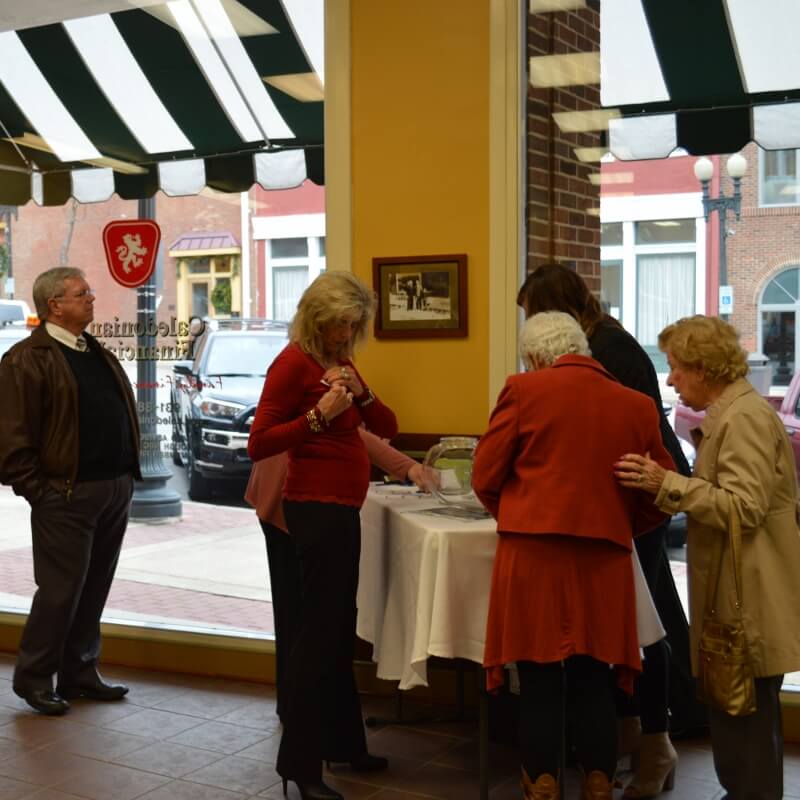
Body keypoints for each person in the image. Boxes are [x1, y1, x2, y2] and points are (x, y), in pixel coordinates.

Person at [518, 262, 703, 797]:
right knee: (641, 621)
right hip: (621, 497)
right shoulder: (606, 338)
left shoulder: (609, 351)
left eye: (533, 312)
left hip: (635, 494)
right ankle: (633, 741)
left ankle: (656, 741)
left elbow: (610, 433)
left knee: (646, 625)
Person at [473, 312, 674, 800]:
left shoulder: (523, 391)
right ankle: (599, 779)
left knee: (539, 672)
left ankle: (542, 781)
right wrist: (618, 525)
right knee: (592, 672)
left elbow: (484, 476)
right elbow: (659, 491)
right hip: (603, 557)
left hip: (533, 553)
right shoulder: (637, 405)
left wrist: (521, 514)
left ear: (538, 357)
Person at [616, 315, 800, 800]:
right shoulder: (734, 413)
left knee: (748, 725)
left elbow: (744, 507)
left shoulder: (743, 420)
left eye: (676, 367)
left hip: (752, 601)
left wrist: (666, 484)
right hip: (744, 595)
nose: (671, 378)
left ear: (704, 367)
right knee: (741, 722)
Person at [247, 271, 398, 800]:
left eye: (354, 325)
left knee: (338, 632)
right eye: (339, 324)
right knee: (318, 638)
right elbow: (259, 442)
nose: (346, 333)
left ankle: (345, 744)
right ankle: (301, 766)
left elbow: (389, 425)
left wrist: (362, 391)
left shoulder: (338, 362)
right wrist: (317, 416)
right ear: (317, 317)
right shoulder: (292, 364)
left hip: (341, 511)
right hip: (313, 511)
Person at [0, 267, 138, 716]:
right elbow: (12, 437)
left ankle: (79, 671)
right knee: (60, 591)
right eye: (82, 293)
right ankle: (34, 679)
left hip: (113, 489)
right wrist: (39, 492)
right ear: (54, 304)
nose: (92, 298)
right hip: (64, 495)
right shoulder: (27, 358)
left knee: (95, 585)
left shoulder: (92, 350)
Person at [244, 432, 435, 722]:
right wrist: (409, 467)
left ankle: (302, 716)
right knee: (310, 622)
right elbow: (341, 428)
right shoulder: (312, 392)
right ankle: (304, 721)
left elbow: (367, 425)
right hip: (296, 504)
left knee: (299, 618)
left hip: (292, 502)